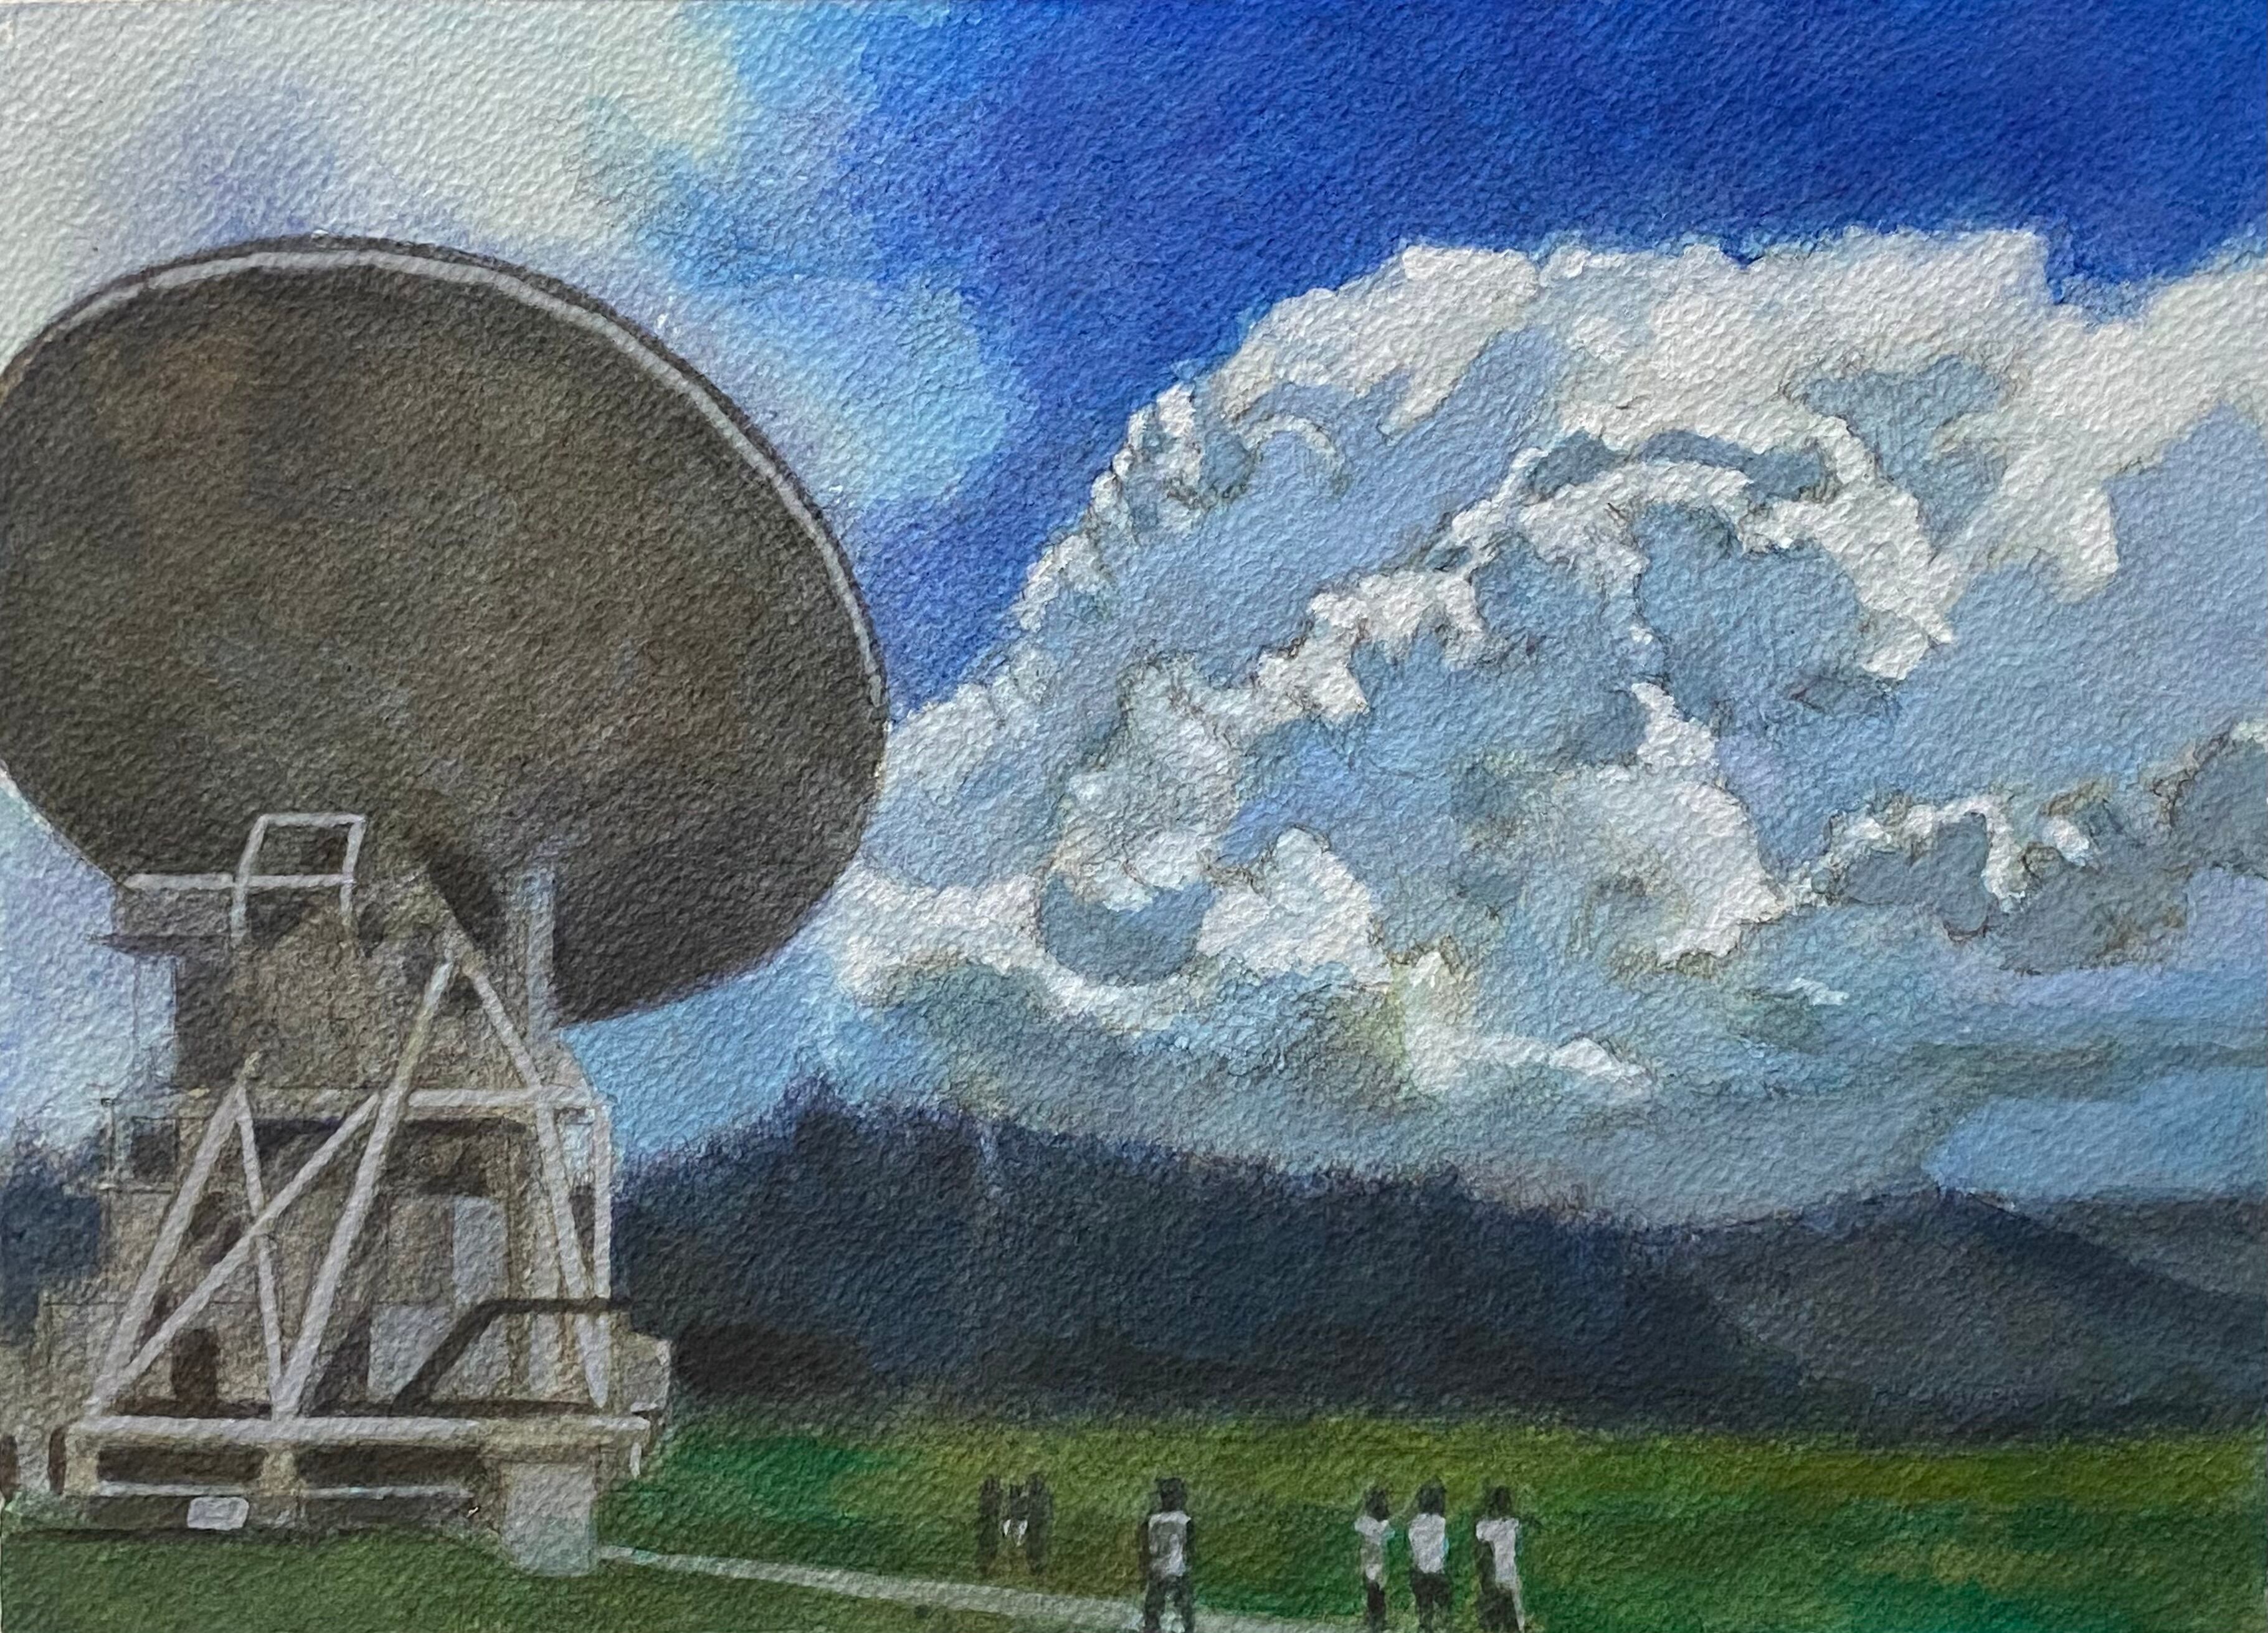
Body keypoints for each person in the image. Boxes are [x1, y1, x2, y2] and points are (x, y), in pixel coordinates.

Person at [1139, 1476, 1197, 1633]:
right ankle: (1188, 1628)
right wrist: (1189, 1565)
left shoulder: (1151, 1521)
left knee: (1153, 1609)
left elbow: (1145, 1549)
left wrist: (1144, 1570)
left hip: (1156, 1571)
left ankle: (1152, 1628)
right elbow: (1189, 1549)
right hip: (1178, 1570)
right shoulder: (1185, 1521)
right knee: (1185, 1608)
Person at [1473, 1487, 1526, 1633]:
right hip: (1510, 1574)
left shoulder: (1488, 1526)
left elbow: (1479, 1532)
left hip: (1494, 1578)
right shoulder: (1513, 1524)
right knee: (1516, 1611)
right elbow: (1520, 1547)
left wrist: (1487, 1510)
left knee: (1497, 1615)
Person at [1408, 1482, 1450, 1633]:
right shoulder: (1441, 1522)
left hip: (1420, 1572)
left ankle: (1425, 1624)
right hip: (1437, 1572)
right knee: (1444, 1598)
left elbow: (1412, 1547)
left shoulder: (1415, 1523)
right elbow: (1445, 1547)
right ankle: (1443, 1622)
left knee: (1424, 1602)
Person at [1354, 1487, 1394, 1633]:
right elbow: (1390, 1534)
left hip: (1368, 1555)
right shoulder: (1384, 1524)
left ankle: (1371, 1617)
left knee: (1370, 1588)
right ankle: (1379, 1619)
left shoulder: (1364, 1522)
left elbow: (1357, 1525)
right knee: (1379, 1589)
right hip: (1380, 1555)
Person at [1025, 1470, 1055, 1576]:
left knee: (1040, 1544)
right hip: (1036, 1523)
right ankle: (1034, 1565)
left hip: (1039, 1523)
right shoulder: (1029, 1494)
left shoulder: (1045, 1493)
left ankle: (1039, 1566)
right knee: (1033, 1544)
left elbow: (1048, 1509)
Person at [977, 1474, 1003, 1574]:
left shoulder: (985, 1556)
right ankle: (993, 1484)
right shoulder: (989, 1557)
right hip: (989, 1525)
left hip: (990, 1524)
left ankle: (991, 1484)